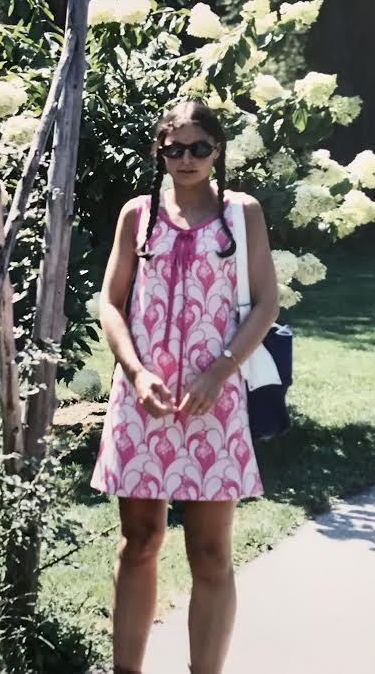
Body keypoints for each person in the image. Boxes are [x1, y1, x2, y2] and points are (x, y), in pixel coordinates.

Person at [91, 101, 279, 674]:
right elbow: (111, 304)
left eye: (200, 147)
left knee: (211, 553)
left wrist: (220, 371)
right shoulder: (138, 215)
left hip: (214, 405)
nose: (187, 158)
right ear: (159, 152)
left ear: (217, 151)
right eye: (175, 148)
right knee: (140, 541)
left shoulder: (239, 213)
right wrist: (136, 372)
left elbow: (266, 302)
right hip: (143, 403)